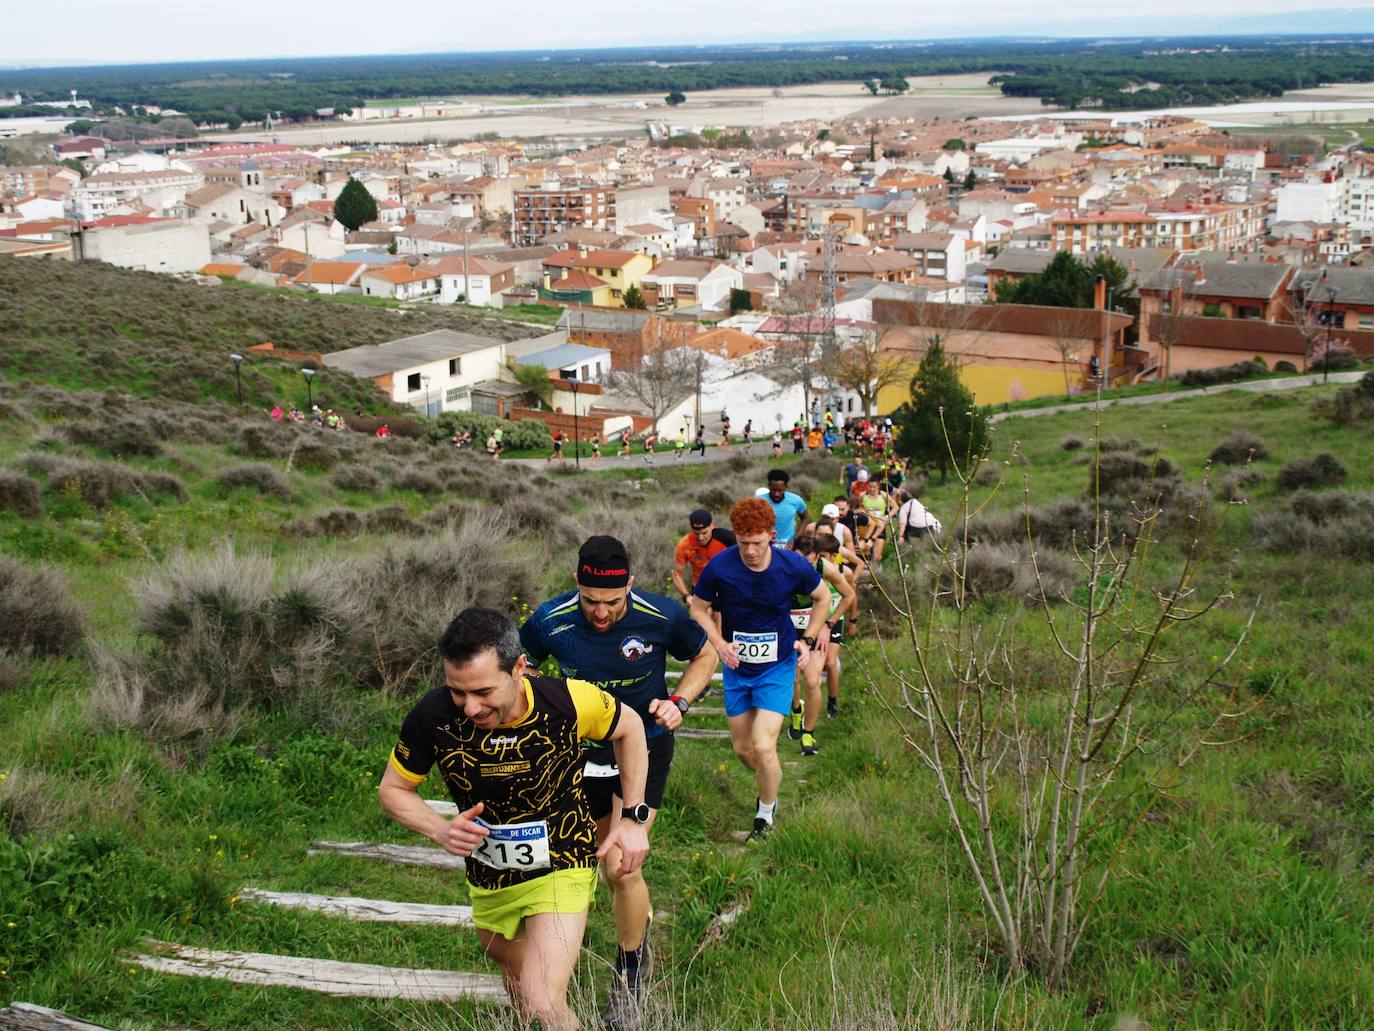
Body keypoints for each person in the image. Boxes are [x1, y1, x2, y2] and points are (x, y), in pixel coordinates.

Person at [378, 607, 649, 1031]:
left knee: (542, 1001)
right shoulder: (432, 716)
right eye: (458, 692)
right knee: (524, 997)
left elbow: (630, 728)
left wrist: (632, 818)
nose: (470, 707)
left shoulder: (568, 701)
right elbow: (393, 788)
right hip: (491, 876)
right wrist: (440, 829)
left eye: (484, 691)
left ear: (520, 667)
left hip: (563, 857)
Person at [520, 538, 717, 1025]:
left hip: (641, 750)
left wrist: (681, 702)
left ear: (629, 584)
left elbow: (706, 656)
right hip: (576, 755)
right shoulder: (550, 620)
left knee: (622, 866)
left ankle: (630, 968)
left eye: (612, 601)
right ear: (576, 585)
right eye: (590, 600)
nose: (602, 613)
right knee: (570, 859)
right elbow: (516, 669)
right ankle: (551, 959)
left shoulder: (660, 614)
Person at [689, 497, 831, 840]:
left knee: (764, 745)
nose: (750, 551)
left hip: (777, 666)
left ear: (771, 535)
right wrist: (720, 644)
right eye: (743, 542)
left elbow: (823, 598)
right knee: (743, 750)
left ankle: (764, 814)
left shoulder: (791, 565)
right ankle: (772, 783)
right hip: (738, 667)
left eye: (757, 542)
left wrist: (807, 640)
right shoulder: (721, 566)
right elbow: (698, 609)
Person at [787, 532, 855, 749]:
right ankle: (796, 709)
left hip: (815, 628)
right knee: (792, 680)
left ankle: (808, 733)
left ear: (817, 557)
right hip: (788, 628)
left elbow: (849, 595)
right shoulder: (780, 565)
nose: (802, 567)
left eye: (808, 562)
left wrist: (829, 624)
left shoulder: (826, 568)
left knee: (813, 680)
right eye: (798, 560)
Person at [672, 508, 737, 604]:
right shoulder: (684, 544)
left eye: (704, 533)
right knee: (699, 616)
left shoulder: (727, 538)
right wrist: (686, 596)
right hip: (700, 586)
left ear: (712, 526)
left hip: (724, 585)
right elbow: (677, 573)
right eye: (696, 534)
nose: (701, 538)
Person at [759, 468, 809, 548]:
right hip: (764, 545)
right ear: (769, 486)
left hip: (788, 547)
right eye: (773, 490)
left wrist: (796, 539)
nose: (776, 494)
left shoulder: (795, 500)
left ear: (786, 487)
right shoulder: (758, 501)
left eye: (780, 490)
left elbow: (805, 518)